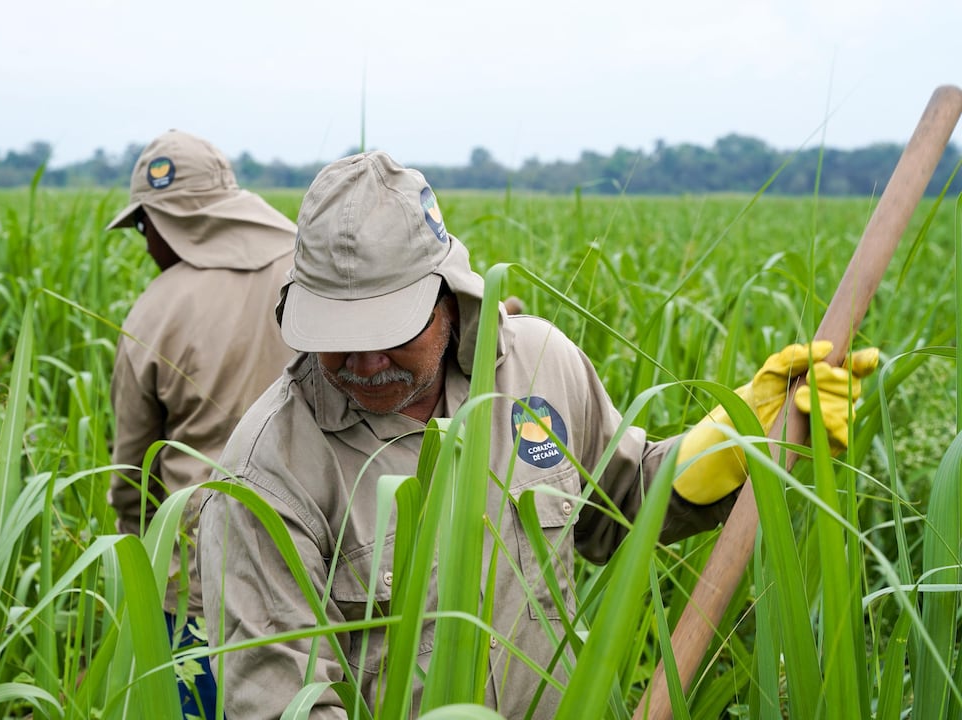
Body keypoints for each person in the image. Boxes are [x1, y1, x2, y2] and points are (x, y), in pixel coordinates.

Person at [197, 150, 877, 719]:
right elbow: (278, 702)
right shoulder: (265, 474)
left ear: (449, 296)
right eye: (338, 339)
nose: (365, 364)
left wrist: (732, 447)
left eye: (389, 333)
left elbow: (618, 508)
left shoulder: (540, 365)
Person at [106, 129, 298, 718]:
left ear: (169, 224)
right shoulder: (320, 274)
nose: (146, 246)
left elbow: (132, 479)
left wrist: (147, 579)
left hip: (200, 590)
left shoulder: (156, 312)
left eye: (146, 228)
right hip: (330, 572)